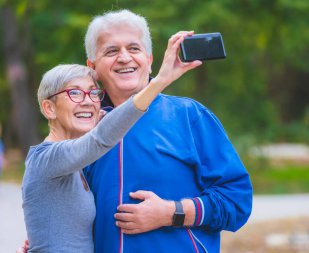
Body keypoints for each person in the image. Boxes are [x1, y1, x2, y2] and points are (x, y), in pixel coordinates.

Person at [83, 9, 253, 253]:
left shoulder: (188, 115)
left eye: (134, 48)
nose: (124, 58)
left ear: (150, 59)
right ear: (93, 67)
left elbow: (237, 202)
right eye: (111, 51)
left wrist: (172, 213)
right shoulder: (82, 128)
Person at [22, 32, 200, 252]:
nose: (87, 102)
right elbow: (100, 140)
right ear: (49, 108)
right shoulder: (46, 158)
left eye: (93, 93)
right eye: (75, 93)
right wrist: (161, 81)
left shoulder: (77, 164)